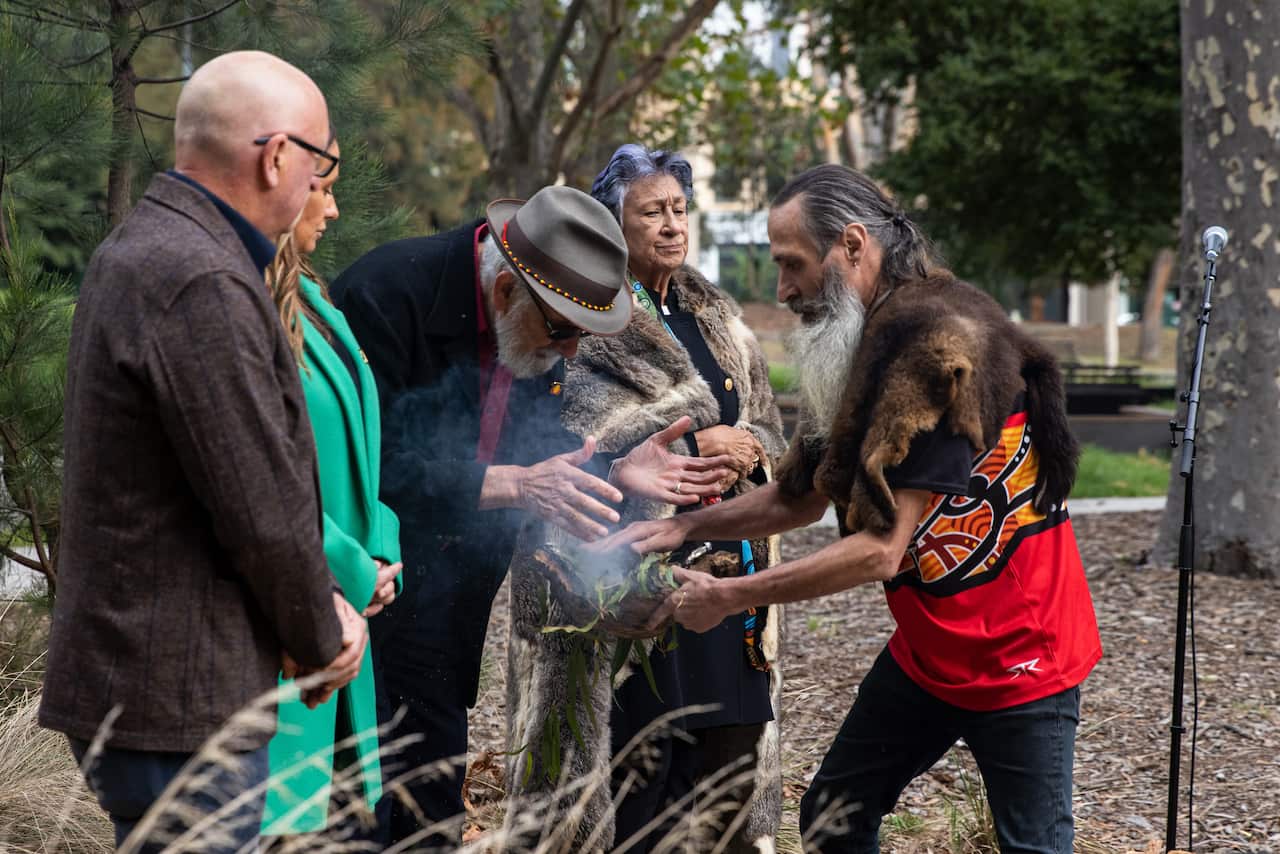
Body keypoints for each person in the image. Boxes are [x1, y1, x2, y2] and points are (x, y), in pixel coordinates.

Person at [597, 164, 1103, 854]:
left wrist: (731, 594)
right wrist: (685, 523)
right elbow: (797, 497)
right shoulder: (868, 339)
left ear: (854, 245)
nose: (785, 290)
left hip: (1022, 658)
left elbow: (880, 551)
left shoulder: (937, 345)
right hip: (929, 655)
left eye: (792, 264)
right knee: (835, 815)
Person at [330, 185, 733, 847]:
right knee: (357, 811)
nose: (572, 353)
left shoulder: (536, 327)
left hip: (447, 603)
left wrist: (611, 467)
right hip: (359, 590)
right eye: (564, 331)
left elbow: (536, 443)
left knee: (430, 804)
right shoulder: (384, 296)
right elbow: (359, 467)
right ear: (504, 294)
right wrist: (511, 482)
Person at [40, 51, 368, 853]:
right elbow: (260, 505)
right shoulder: (200, 279)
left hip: (151, 690)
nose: (321, 188)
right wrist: (325, 635)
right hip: (178, 704)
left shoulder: (151, 246)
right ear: (278, 154)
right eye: (322, 163)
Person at [506, 144, 787, 852]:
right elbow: (568, 439)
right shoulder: (586, 321)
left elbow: (767, 425)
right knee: (642, 777)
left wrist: (745, 442)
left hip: (729, 574)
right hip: (624, 589)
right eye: (652, 211)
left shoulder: (717, 315)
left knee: (729, 767)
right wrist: (695, 445)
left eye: (679, 209)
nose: (671, 225)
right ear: (612, 225)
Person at [259, 137, 404, 839]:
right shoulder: (246, 303)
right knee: (283, 822)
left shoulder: (313, 295)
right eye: (325, 186)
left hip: (349, 613)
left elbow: (358, 445)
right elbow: (258, 477)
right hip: (290, 615)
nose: (336, 208)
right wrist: (349, 565)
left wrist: (379, 550)